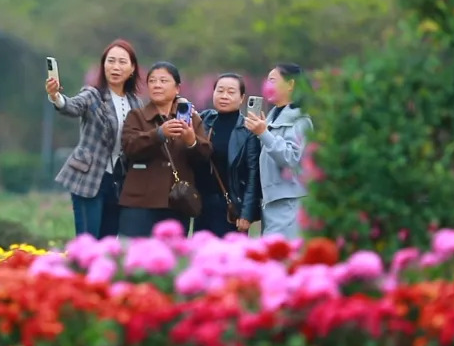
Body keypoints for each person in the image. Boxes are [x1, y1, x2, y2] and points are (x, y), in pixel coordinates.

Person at [46, 39, 143, 238]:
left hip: (118, 182)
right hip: (89, 177)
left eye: (122, 62)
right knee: (88, 241)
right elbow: (71, 106)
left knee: (107, 245)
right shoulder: (93, 95)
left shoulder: (136, 102)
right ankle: (80, 270)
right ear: (103, 65)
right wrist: (56, 96)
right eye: (111, 61)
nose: (116, 67)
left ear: (132, 68)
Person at [118, 61, 212, 237]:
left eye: (163, 80)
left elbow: (205, 155)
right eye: (152, 81)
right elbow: (130, 146)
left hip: (178, 202)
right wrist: (159, 134)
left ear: (177, 88)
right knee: (135, 257)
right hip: (140, 203)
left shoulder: (191, 118)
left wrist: (191, 141)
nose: (157, 85)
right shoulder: (137, 116)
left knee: (173, 260)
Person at [244, 63, 313, 239]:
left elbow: (291, 158)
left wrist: (263, 133)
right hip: (270, 202)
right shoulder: (271, 117)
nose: (268, 85)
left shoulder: (301, 120)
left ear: (290, 85)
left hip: (289, 202)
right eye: (267, 81)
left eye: (273, 80)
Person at [193, 73, 261, 237]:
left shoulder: (248, 130)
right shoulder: (204, 121)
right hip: (201, 206)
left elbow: (253, 173)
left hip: (231, 209)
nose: (224, 96)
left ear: (242, 98)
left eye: (231, 92)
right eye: (220, 90)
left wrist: (247, 213)